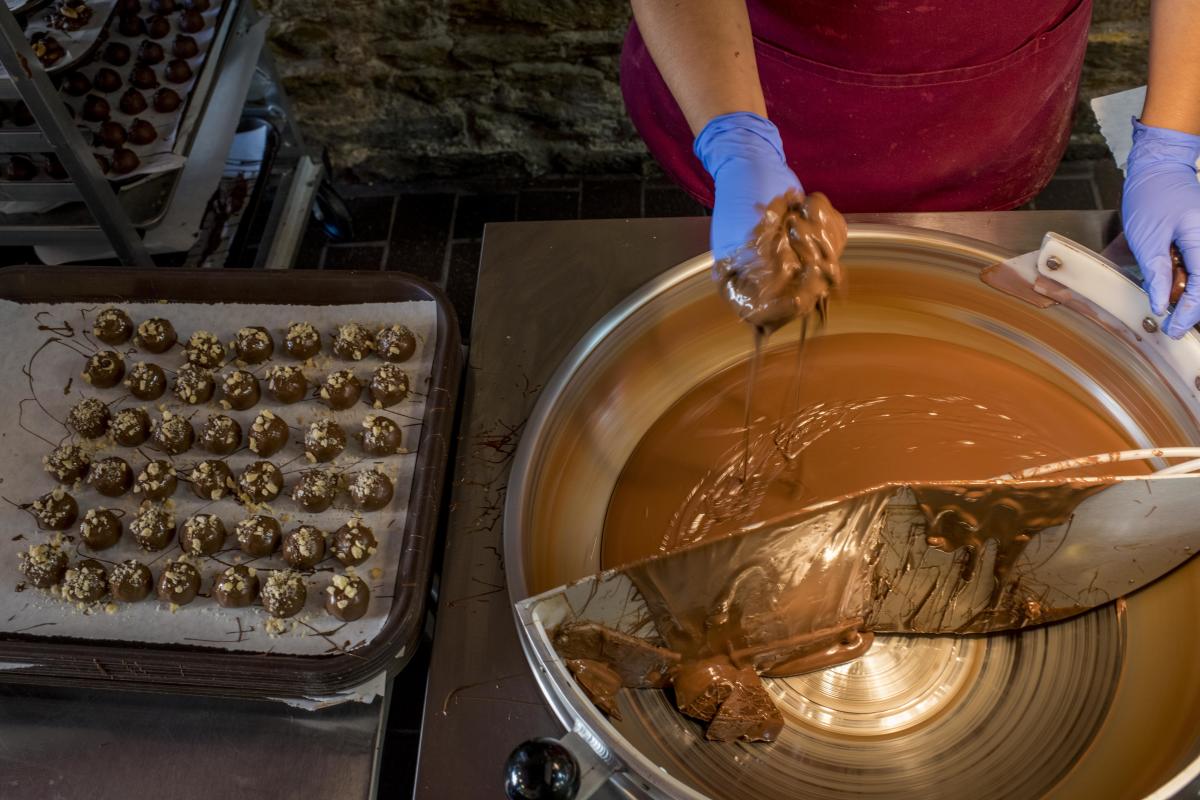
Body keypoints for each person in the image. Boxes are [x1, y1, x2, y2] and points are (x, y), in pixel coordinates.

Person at [622, 0, 1200, 338]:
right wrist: (737, 140)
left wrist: (1171, 143)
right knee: (758, 263)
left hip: (1000, 94)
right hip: (758, 78)